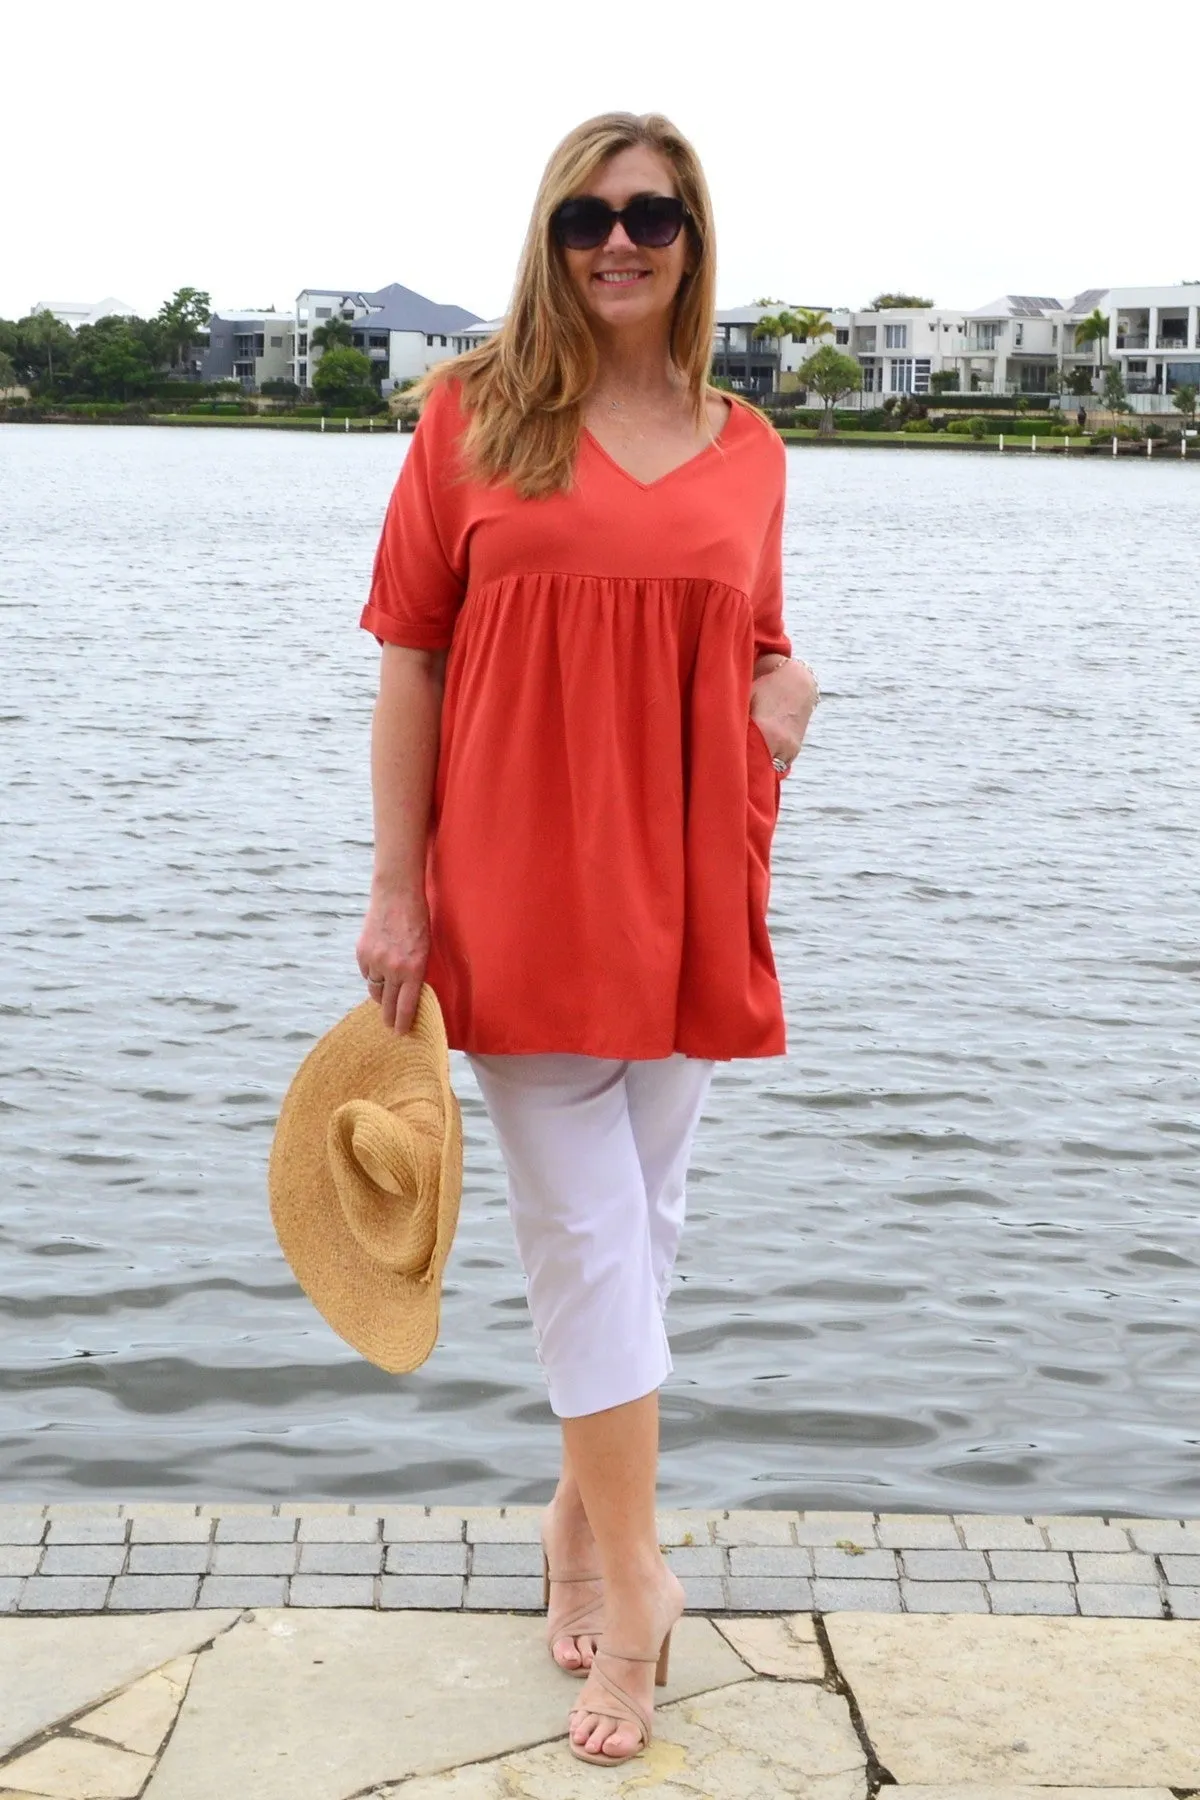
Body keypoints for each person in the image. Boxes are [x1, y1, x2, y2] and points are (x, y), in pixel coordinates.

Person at [355, 110, 819, 1768]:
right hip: (522, 889)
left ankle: (567, 1518)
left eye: (652, 217)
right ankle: (637, 1588)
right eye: (585, 218)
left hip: (690, 886)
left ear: (694, 241)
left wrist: (792, 705)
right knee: (591, 1243)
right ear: (548, 238)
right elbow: (411, 657)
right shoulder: (471, 415)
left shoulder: (749, 446)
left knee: (648, 1232)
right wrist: (399, 888)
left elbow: (757, 646)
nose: (619, 243)